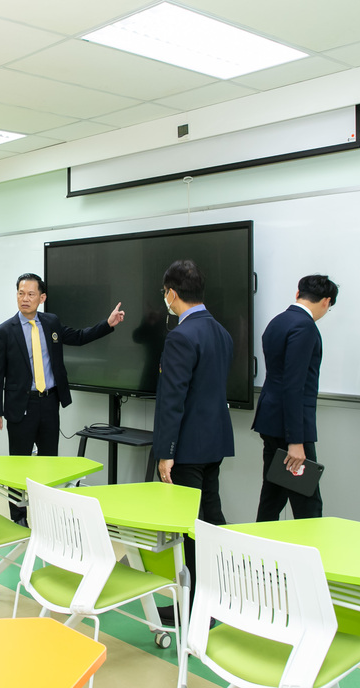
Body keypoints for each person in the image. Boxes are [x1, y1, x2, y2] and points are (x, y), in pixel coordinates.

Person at [0, 273, 124, 523]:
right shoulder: (4, 331)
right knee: (18, 465)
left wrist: (107, 324)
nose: (25, 298)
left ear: (42, 297)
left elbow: (79, 337)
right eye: (21, 293)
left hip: (49, 402)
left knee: (49, 462)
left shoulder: (51, 322)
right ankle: (19, 517)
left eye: (31, 294)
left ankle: (47, 514)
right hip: (21, 406)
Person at [152, 259, 235, 625]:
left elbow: (173, 400)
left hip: (186, 447)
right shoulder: (221, 332)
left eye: (165, 293)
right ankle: (219, 598)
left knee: (190, 528)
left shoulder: (181, 336)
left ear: (172, 293)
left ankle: (195, 607)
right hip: (214, 443)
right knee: (211, 520)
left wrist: (165, 453)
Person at [252, 274, 339, 521]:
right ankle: (310, 547)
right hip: (289, 428)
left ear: (298, 294)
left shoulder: (278, 322)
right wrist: (295, 441)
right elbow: (294, 386)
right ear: (326, 301)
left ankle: (258, 544)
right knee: (308, 503)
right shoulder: (305, 327)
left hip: (271, 421)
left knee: (273, 496)